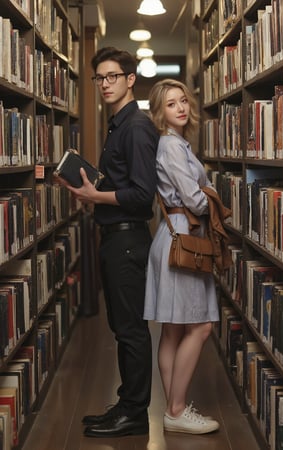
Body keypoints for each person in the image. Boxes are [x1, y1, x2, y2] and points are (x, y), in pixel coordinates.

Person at [57, 47, 159, 438]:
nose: (104, 84)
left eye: (112, 76)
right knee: (122, 326)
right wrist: (89, 185)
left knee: (131, 329)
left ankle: (134, 414)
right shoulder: (118, 124)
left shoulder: (135, 127)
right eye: (99, 78)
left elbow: (141, 195)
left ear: (130, 79)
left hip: (128, 240)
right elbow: (122, 183)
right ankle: (127, 403)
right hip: (116, 239)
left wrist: (93, 196)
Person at [143, 79, 220, 435]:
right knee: (201, 326)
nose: (180, 107)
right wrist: (216, 201)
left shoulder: (176, 144)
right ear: (160, 112)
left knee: (173, 330)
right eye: (171, 103)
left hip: (173, 234)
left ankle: (174, 409)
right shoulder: (172, 146)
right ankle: (176, 410)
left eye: (183, 100)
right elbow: (194, 199)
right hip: (183, 237)